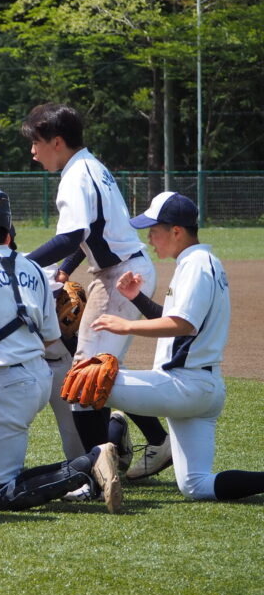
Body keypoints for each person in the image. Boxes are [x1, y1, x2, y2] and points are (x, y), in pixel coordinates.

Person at [0, 188, 122, 513]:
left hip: (8, 383)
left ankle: (90, 461)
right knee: (0, 482)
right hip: (40, 376)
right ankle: (93, 458)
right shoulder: (34, 269)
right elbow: (51, 336)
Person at [23, 103, 169, 483]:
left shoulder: (76, 176)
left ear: (57, 141)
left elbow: (72, 235)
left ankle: (97, 474)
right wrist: (64, 269)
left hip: (120, 275)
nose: (33, 152)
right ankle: (129, 441)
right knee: (96, 372)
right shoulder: (90, 165)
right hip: (119, 271)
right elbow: (88, 233)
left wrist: (19, 264)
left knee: (85, 379)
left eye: (36, 142)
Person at [91, 192, 264, 502]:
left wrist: (126, 325)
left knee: (89, 382)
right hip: (200, 388)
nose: (149, 238)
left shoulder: (196, 265)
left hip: (184, 384)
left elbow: (183, 324)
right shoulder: (200, 263)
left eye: (153, 230)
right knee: (196, 485)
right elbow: (176, 319)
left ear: (176, 231)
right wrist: (137, 299)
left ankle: (113, 448)